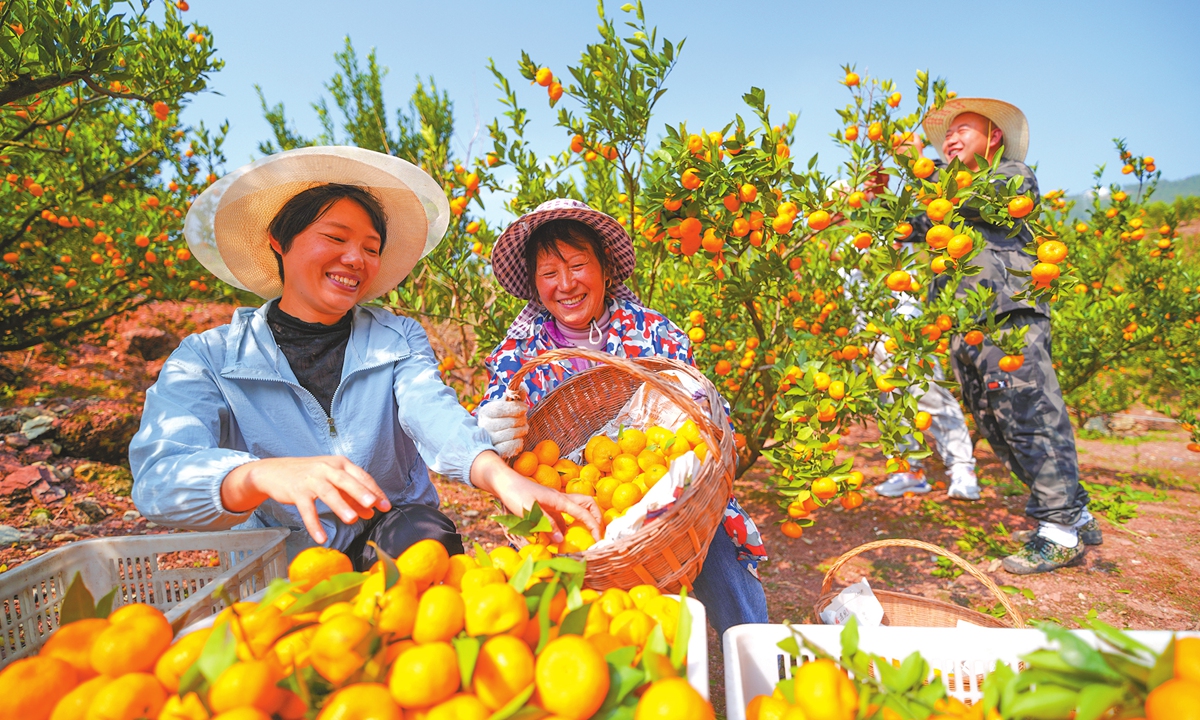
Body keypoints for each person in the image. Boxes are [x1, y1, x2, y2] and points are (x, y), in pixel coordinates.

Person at [129, 147, 601, 567]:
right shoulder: (211, 358)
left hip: (394, 535)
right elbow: (159, 478)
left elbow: (429, 411)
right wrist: (256, 476)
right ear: (279, 239)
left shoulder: (395, 339)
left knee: (423, 543)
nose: (356, 258)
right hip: (278, 565)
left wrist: (500, 477)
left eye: (370, 248)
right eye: (336, 238)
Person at [475, 198, 769, 637]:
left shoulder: (654, 333)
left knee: (716, 544)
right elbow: (489, 434)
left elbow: (708, 410)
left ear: (605, 268)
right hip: (568, 516)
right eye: (550, 273)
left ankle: (754, 651)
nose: (566, 283)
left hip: (672, 498)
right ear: (536, 285)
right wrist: (492, 432)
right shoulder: (519, 356)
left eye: (578, 265)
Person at [905, 98, 1098, 573]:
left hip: (1008, 318)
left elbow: (980, 202)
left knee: (1031, 414)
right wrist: (880, 207)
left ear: (992, 137)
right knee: (998, 423)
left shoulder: (1011, 176)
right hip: (966, 324)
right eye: (946, 133)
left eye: (962, 129)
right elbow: (927, 224)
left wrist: (923, 169)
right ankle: (1074, 512)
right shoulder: (953, 202)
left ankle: (1059, 532)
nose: (950, 138)